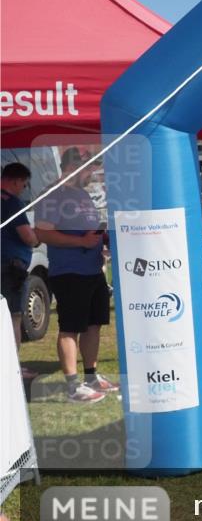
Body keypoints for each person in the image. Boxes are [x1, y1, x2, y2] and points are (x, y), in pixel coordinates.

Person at [35, 148, 117, 403]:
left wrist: (101, 238)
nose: (93, 173)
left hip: (93, 269)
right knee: (70, 327)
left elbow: (87, 229)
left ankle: (90, 376)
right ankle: (73, 386)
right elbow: (43, 234)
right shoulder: (52, 194)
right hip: (69, 271)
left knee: (94, 324)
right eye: (90, 167)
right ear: (73, 167)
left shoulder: (81, 194)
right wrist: (80, 241)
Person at [1, 163, 41, 380]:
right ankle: (13, 368)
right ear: (15, 181)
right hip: (9, 267)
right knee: (13, 317)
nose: (24, 189)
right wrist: (37, 240)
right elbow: (27, 235)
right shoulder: (12, 202)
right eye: (24, 185)